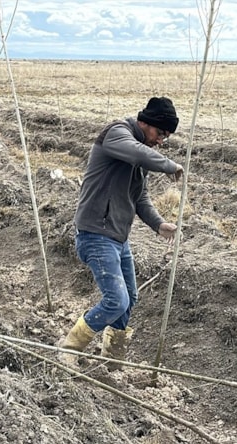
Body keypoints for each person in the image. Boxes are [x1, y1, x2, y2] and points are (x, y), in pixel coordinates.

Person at [59, 96, 184, 370]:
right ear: (144, 122)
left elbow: (140, 198)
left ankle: (112, 360)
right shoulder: (117, 134)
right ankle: (68, 349)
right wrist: (168, 165)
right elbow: (140, 154)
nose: (161, 141)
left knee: (130, 297)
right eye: (160, 133)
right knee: (116, 300)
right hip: (95, 233)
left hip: (117, 238)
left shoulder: (139, 152)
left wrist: (159, 225)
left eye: (166, 137)